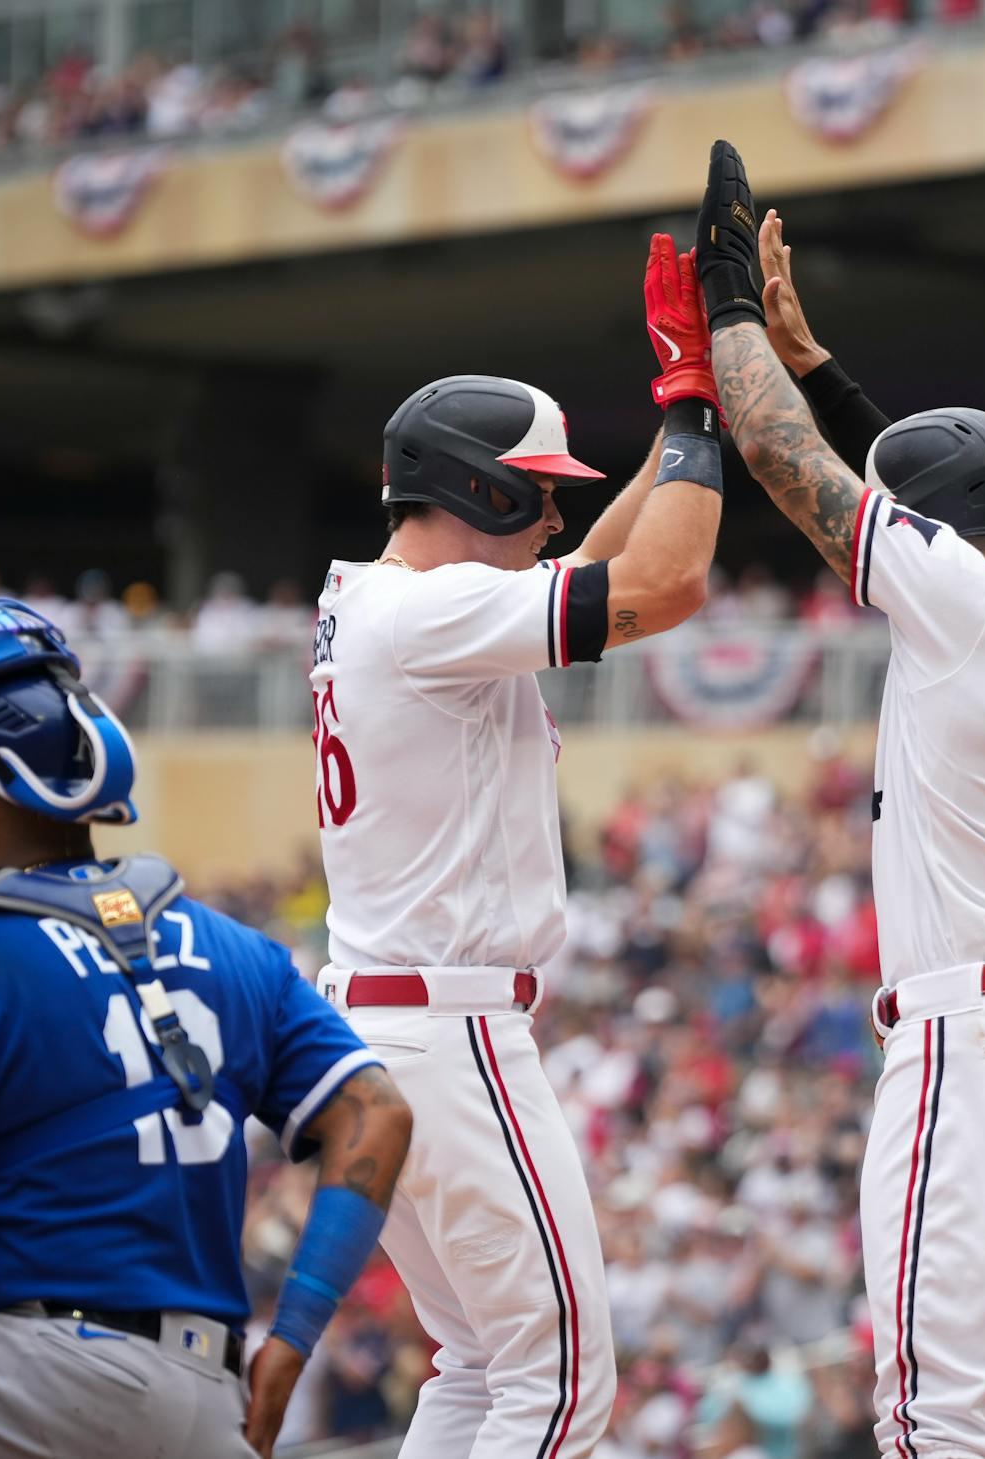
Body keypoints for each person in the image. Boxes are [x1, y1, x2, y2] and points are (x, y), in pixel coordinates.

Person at [696, 141, 985, 1459]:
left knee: (930, 1420)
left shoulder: (965, 605)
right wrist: (819, 358)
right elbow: (909, 503)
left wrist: (727, 326)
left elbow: (788, 463)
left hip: (976, 1044)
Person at [309, 234, 724, 1457]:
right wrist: (696, 406)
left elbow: (601, 564)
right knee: (557, 1384)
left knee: (486, 1369)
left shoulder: (386, 601)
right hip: (450, 1029)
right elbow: (672, 581)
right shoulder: (425, 610)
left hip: (391, 1025)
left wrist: (683, 407)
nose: (555, 506)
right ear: (474, 487)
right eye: (535, 486)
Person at [0, 597, 410, 1458]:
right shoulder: (236, 947)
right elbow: (377, 1110)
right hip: (205, 1399)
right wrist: (295, 1333)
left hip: (20, 1381)